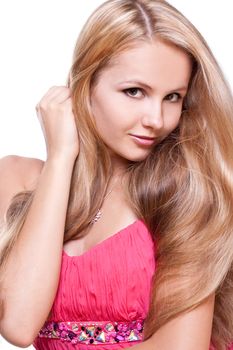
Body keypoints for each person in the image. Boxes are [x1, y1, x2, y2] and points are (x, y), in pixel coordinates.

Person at [0, 0, 233, 349]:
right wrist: (62, 157)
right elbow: (18, 324)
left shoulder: (188, 191)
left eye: (172, 97)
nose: (156, 119)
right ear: (84, 86)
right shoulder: (18, 178)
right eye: (134, 92)